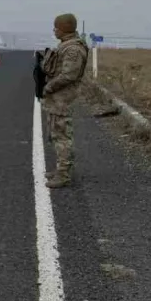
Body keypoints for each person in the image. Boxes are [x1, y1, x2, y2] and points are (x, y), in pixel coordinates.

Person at [41, 13, 89, 188]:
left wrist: (50, 87)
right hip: (57, 99)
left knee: (62, 137)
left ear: (64, 28)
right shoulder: (66, 46)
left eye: (56, 27)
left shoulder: (73, 49)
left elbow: (69, 75)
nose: (54, 30)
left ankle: (63, 175)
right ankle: (60, 169)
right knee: (56, 135)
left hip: (63, 98)